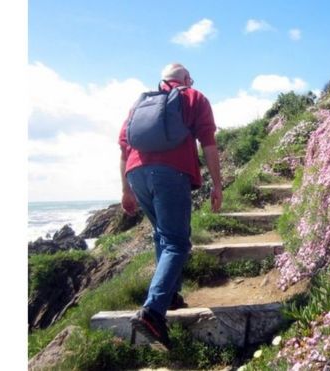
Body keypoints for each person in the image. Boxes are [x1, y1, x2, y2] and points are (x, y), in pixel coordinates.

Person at [118, 63, 222, 349]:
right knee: (177, 243)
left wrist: (126, 190)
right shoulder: (194, 97)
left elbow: (124, 148)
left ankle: (170, 295)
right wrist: (217, 184)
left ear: (163, 80)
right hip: (171, 173)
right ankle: (152, 312)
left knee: (162, 235)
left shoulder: (141, 103)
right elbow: (209, 144)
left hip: (136, 174)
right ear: (186, 79)